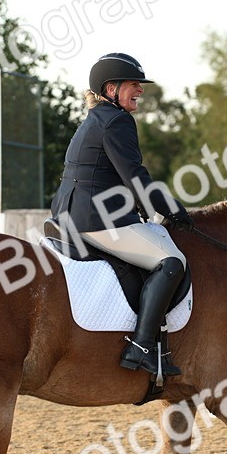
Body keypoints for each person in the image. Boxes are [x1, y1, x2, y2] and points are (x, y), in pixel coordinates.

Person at [50, 53, 194, 378]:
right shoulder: (118, 121)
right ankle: (142, 347)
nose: (140, 91)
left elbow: (113, 177)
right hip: (96, 221)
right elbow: (135, 176)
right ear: (111, 88)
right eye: (133, 84)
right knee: (171, 262)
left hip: (70, 215)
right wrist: (174, 210)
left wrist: (143, 208)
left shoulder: (95, 119)